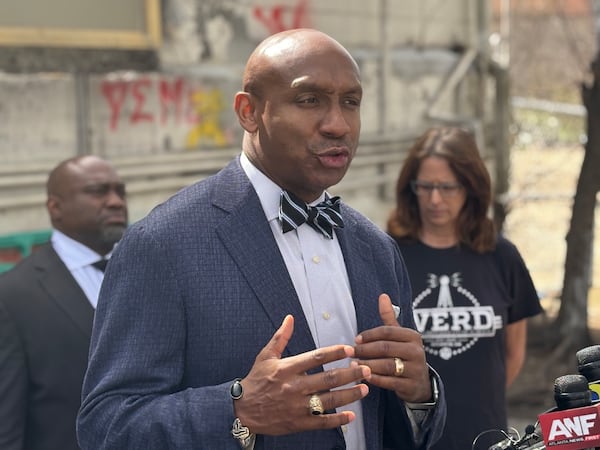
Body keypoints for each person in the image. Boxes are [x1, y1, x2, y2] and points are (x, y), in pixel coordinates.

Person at [76, 29, 446, 450]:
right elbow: (107, 426)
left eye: (351, 102)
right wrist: (238, 410)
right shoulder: (161, 246)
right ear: (248, 112)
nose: (338, 124)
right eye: (309, 100)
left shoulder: (376, 249)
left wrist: (420, 393)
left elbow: (399, 427)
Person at [387, 126, 543, 450]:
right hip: (412, 439)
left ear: (471, 188)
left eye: (447, 187)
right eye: (425, 186)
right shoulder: (388, 256)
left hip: (486, 436)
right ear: (410, 188)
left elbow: (513, 354)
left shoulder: (502, 257)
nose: (434, 199)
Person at [0, 155, 128, 450]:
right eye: (98, 191)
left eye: (120, 191)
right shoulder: (14, 295)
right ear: (55, 208)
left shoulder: (149, 269)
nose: (115, 202)